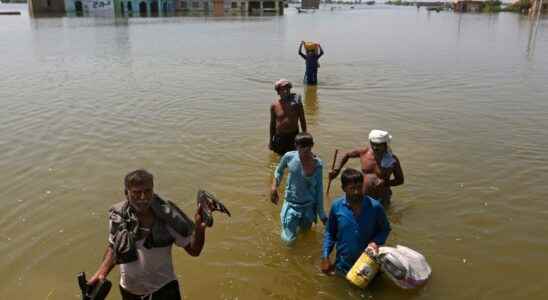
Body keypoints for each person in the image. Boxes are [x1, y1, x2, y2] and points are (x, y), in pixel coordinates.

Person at [87, 169, 207, 300]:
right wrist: (101, 273)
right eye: (137, 193)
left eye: (147, 191)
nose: (143, 197)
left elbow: (194, 250)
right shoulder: (118, 216)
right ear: (126, 193)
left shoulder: (169, 218)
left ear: (153, 190)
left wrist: (200, 229)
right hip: (129, 291)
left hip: (163, 290)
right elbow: (113, 246)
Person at [321, 168, 391, 276]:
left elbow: (385, 229)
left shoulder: (375, 207)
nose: (357, 192)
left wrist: (375, 242)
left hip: (368, 264)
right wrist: (325, 257)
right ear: (343, 188)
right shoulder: (336, 206)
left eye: (359, 187)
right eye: (352, 188)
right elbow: (330, 233)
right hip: (343, 265)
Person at [271, 132, 327, 245]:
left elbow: (319, 189)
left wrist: (321, 214)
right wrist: (274, 187)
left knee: (305, 235)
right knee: (288, 241)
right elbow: (279, 170)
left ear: (312, 145)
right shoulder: (289, 157)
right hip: (291, 204)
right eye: (302, 146)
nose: (306, 149)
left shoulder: (318, 164)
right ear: (296, 146)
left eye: (308, 146)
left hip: (308, 206)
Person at [329, 129, 404, 206]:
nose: (375, 147)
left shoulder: (392, 160)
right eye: (373, 144)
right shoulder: (364, 152)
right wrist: (337, 170)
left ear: (385, 144)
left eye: (378, 145)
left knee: (383, 216)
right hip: (363, 196)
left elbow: (400, 180)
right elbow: (346, 154)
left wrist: (385, 183)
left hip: (382, 197)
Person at [269, 79, 307, 156]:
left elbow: (302, 120)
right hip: (279, 137)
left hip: (293, 136)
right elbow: (272, 124)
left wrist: (304, 136)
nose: (285, 91)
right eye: (282, 89)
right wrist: (270, 141)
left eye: (287, 89)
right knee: (278, 159)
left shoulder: (297, 103)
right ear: (278, 92)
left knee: (294, 159)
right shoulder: (274, 106)